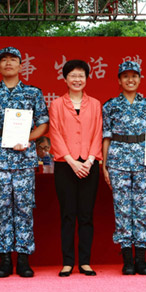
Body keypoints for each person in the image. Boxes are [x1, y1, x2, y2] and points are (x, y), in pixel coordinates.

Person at [0, 46, 49, 278]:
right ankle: (5, 260)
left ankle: (24, 259)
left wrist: (26, 138)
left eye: (13, 59)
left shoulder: (32, 93)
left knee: (24, 208)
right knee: (1, 209)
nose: (8, 63)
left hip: (24, 159)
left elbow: (43, 124)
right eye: (4, 60)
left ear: (21, 65)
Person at [48, 60, 102, 277]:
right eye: (73, 75)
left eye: (81, 75)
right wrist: (71, 161)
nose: (77, 79)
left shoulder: (96, 104)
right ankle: (68, 261)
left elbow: (98, 132)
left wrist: (89, 161)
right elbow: (55, 134)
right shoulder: (57, 105)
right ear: (65, 79)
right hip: (65, 166)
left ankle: (86, 262)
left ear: (87, 78)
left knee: (86, 215)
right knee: (68, 214)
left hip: (90, 165)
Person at [102, 61, 146, 276]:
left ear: (140, 79)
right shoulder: (110, 106)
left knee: (142, 210)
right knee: (123, 210)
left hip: (144, 163)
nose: (130, 80)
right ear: (119, 80)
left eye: (134, 76)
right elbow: (106, 136)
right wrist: (104, 165)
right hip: (118, 162)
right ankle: (127, 259)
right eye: (125, 76)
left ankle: (141, 259)